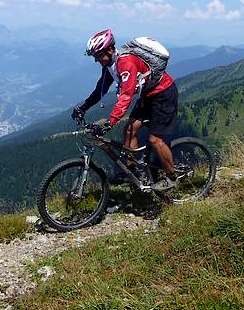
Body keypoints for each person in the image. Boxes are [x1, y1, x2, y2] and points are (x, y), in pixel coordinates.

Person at [72, 29, 178, 190]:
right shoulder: (110, 64)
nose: (96, 60)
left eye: (99, 56)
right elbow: (100, 88)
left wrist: (109, 123)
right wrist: (83, 107)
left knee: (154, 140)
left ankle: (172, 177)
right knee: (129, 129)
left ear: (109, 50)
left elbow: (126, 96)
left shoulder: (125, 63)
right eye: (95, 57)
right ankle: (133, 172)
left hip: (163, 95)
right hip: (148, 96)